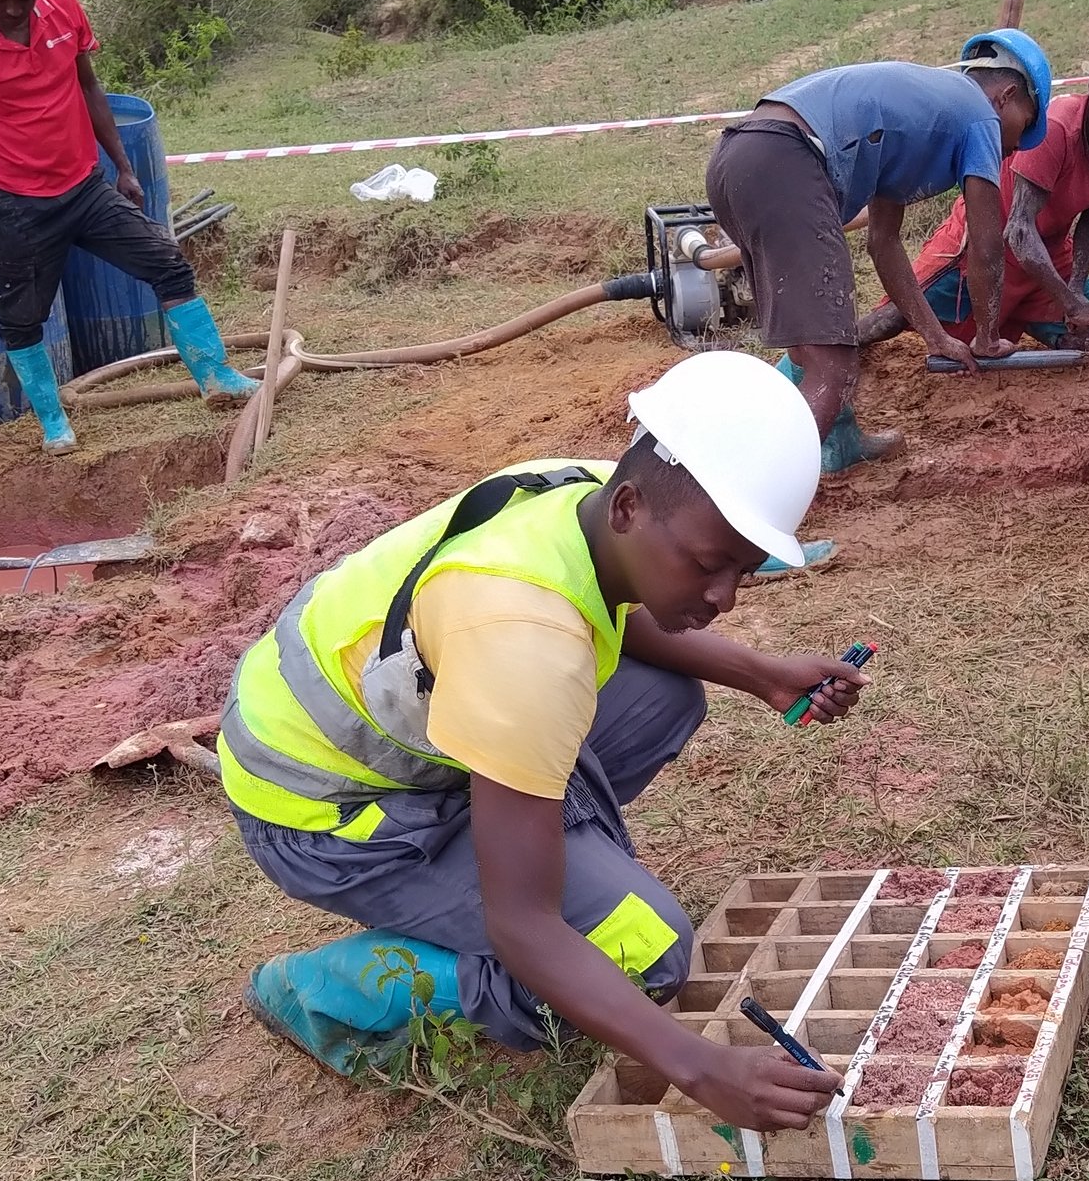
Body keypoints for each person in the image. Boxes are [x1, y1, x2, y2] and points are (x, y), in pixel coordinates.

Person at [221, 352, 864, 1134]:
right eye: (707, 564)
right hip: (327, 810)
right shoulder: (524, 641)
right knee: (647, 951)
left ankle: (517, 834)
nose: (724, 596)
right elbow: (522, 924)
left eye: (743, 569)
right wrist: (705, 1068)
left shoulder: (591, 492)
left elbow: (614, 601)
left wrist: (760, 672)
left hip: (411, 726)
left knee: (662, 700)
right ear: (629, 506)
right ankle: (348, 985)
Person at [0, 0, 255, 454]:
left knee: (167, 263)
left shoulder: (63, 7)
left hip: (83, 186)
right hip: (13, 203)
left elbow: (90, 89)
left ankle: (217, 377)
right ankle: (54, 422)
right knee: (20, 315)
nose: (13, 9)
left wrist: (122, 167)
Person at [704, 29, 1052, 519]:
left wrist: (933, 335)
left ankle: (839, 439)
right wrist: (988, 337)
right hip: (786, 159)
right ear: (1007, 96)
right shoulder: (980, 118)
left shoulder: (928, 111)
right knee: (833, 367)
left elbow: (883, 242)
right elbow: (988, 246)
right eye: (1025, 125)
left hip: (738, 157)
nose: (1017, 143)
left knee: (811, 345)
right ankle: (747, 518)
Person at [856, 21, 1089, 354]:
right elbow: (1018, 231)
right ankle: (833, 348)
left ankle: (1043, 320)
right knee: (893, 317)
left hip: (1048, 254)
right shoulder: (1058, 129)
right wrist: (1070, 301)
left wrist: (1076, 291)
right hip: (978, 248)